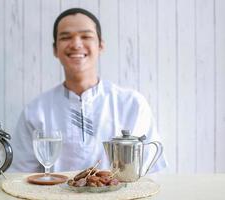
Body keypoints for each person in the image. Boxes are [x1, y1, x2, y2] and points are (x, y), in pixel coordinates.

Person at [11, 8, 167, 173]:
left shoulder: (132, 104)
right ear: (55, 49)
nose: (76, 44)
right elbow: (19, 177)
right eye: (65, 37)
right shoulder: (36, 111)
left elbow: (152, 174)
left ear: (100, 45)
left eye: (86, 36)